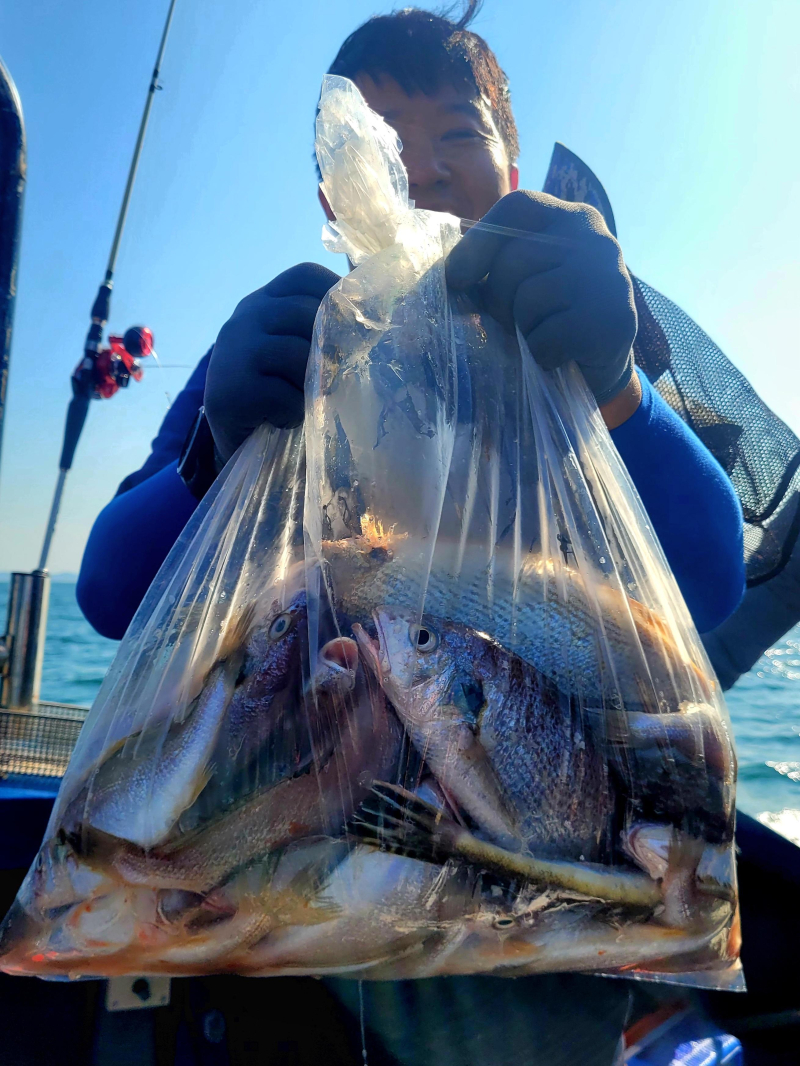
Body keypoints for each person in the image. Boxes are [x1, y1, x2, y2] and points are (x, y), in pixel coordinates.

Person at [75, 6, 746, 1065]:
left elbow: (708, 578)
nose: (420, 170)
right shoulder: (278, 345)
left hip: (528, 974)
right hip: (287, 942)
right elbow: (110, 594)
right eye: (377, 142)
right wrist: (212, 446)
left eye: (458, 136)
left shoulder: (565, 348)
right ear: (330, 189)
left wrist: (618, 387)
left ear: (513, 163)